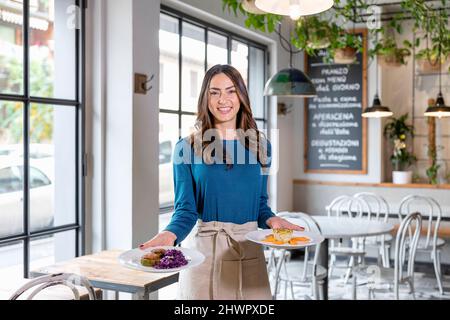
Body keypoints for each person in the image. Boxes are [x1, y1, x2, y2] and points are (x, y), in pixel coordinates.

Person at [140, 64, 303, 300]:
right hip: (205, 256)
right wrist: (169, 234)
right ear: (205, 98)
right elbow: (185, 211)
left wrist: (272, 219)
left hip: (248, 251)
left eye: (231, 91)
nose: (222, 99)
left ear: (241, 96)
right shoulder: (186, 148)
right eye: (214, 92)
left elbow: (260, 204)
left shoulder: (260, 146)